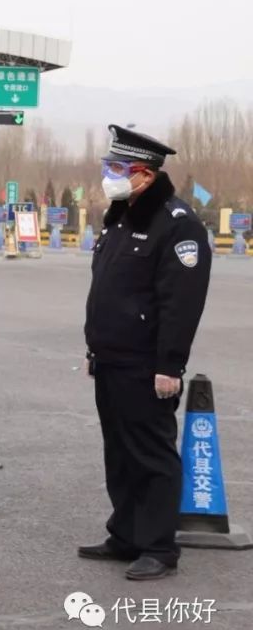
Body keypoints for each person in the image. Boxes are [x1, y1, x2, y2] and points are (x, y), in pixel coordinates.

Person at [80, 125, 211, 581]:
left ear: (146, 175)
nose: (108, 175)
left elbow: (180, 304)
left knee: (151, 454)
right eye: (108, 166)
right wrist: (95, 350)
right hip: (111, 358)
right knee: (118, 451)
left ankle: (158, 546)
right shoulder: (119, 218)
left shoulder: (178, 225)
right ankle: (126, 533)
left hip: (146, 364)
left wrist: (168, 365)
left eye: (117, 169)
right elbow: (107, 291)